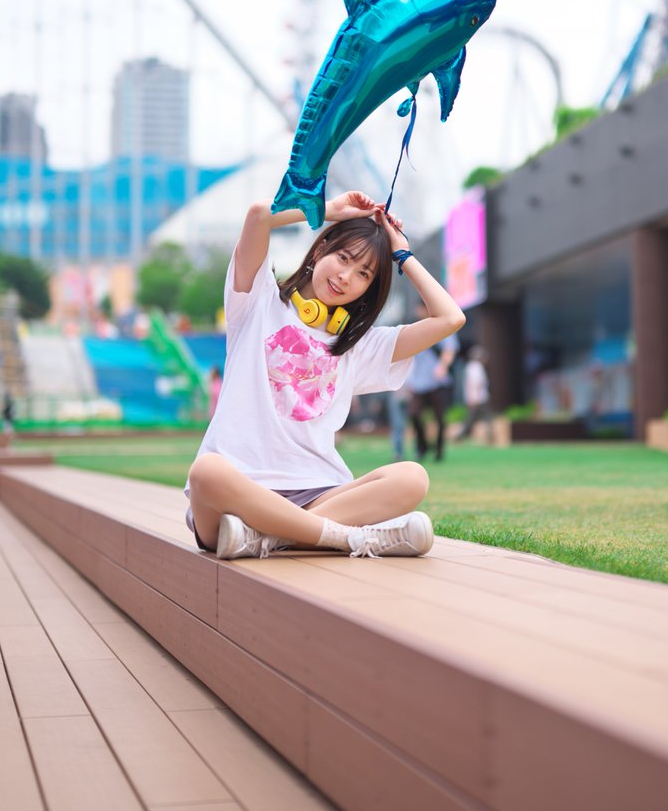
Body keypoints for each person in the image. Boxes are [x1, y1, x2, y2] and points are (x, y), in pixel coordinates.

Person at [185, 190, 465, 560]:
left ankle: (270, 538)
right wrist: (327, 210)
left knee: (412, 477)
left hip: (316, 492)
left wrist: (402, 254)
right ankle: (345, 538)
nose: (346, 277)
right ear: (320, 251)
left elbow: (450, 318)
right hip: (237, 490)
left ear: (369, 289)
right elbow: (257, 215)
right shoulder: (256, 302)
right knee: (207, 472)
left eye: (363, 274)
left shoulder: (359, 346)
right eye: (343, 258)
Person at [404, 304, 459, 461]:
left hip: (437, 381)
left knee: (440, 417)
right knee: (414, 414)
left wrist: (442, 367)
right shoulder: (415, 328)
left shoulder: (442, 326)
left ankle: (439, 451)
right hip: (419, 382)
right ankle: (422, 447)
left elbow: (450, 349)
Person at [457, 345, 493, 443]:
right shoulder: (476, 367)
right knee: (479, 418)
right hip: (479, 398)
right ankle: (461, 435)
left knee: (473, 418)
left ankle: (461, 435)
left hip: (476, 398)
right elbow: (475, 383)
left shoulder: (471, 366)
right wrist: (474, 397)